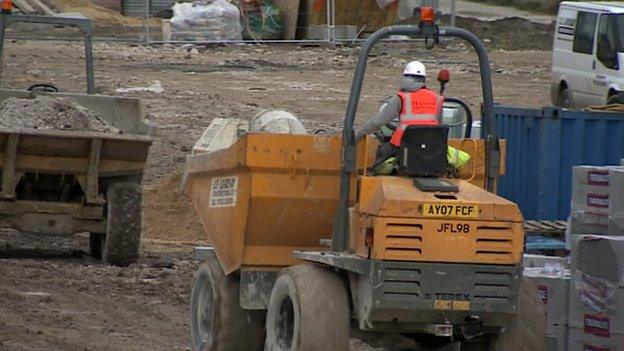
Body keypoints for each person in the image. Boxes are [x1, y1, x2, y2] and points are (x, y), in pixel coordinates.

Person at [355, 61, 446, 174]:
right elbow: (439, 127)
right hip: (432, 151)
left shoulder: (401, 98)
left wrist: (357, 136)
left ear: (406, 77)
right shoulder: (437, 99)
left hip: (403, 150)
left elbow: (376, 122)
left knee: (380, 160)